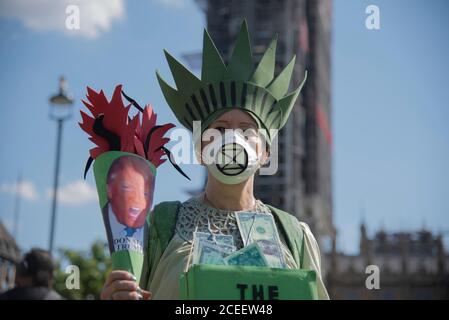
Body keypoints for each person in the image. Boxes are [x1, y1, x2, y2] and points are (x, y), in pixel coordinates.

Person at [101, 19, 329, 300]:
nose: (233, 139)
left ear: (265, 153)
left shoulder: (295, 235)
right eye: (220, 129)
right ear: (199, 149)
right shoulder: (161, 226)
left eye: (246, 130)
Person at [102, 155, 155, 254]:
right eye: (128, 188)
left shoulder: (156, 234)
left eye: (145, 193)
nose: (138, 200)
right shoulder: (93, 222)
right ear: (109, 190)